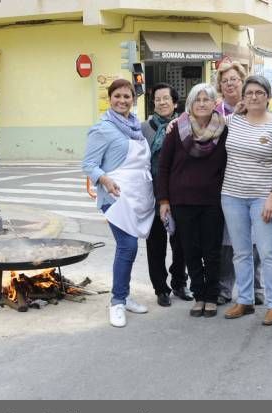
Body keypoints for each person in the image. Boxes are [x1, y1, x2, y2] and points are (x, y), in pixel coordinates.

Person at [221, 75, 272, 326]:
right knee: (240, 252)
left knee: (267, 251)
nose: (253, 97)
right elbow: (203, 124)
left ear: (268, 97)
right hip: (231, 195)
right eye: (249, 93)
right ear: (243, 97)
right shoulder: (232, 121)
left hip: (264, 197)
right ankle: (245, 300)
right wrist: (179, 124)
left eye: (259, 93)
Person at [83, 78, 153, 328]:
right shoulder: (102, 128)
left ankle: (124, 294)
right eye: (118, 96)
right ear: (109, 99)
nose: (122, 100)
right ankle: (117, 302)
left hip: (137, 196)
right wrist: (104, 178)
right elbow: (88, 164)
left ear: (133, 99)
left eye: (127, 96)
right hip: (115, 195)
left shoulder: (136, 126)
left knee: (130, 248)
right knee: (127, 246)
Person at [157, 83, 228, 318]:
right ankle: (199, 295)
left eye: (206, 99)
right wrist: (164, 200)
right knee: (191, 250)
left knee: (212, 250)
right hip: (182, 200)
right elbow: (164, 167)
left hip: (213, 201)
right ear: (190, 103)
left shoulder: (224, 128)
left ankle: (212, 295)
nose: (201, 104)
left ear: (214, 103)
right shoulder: (177, 129)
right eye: (197, 100)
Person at [214, 61, 265, 307]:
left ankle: (256, 287)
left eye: (234, 79)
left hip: (253, 183)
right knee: (227, 240)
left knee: (254, 239)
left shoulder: (256, 109)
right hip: (224, 183)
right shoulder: (215, 112)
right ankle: (225, 287)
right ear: (220, 87)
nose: (230, 84)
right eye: (225, 81)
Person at [141, 82, 192, 307]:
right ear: (153, 103)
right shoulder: (144, 128)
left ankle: (180, 283)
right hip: (151, 194)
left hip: (179, 192)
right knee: (156, 243)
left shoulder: (185, 125)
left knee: (180, 241)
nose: (162, 102)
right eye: (158, 99)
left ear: (175, 103)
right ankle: (161, 288)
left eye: (166, 99)